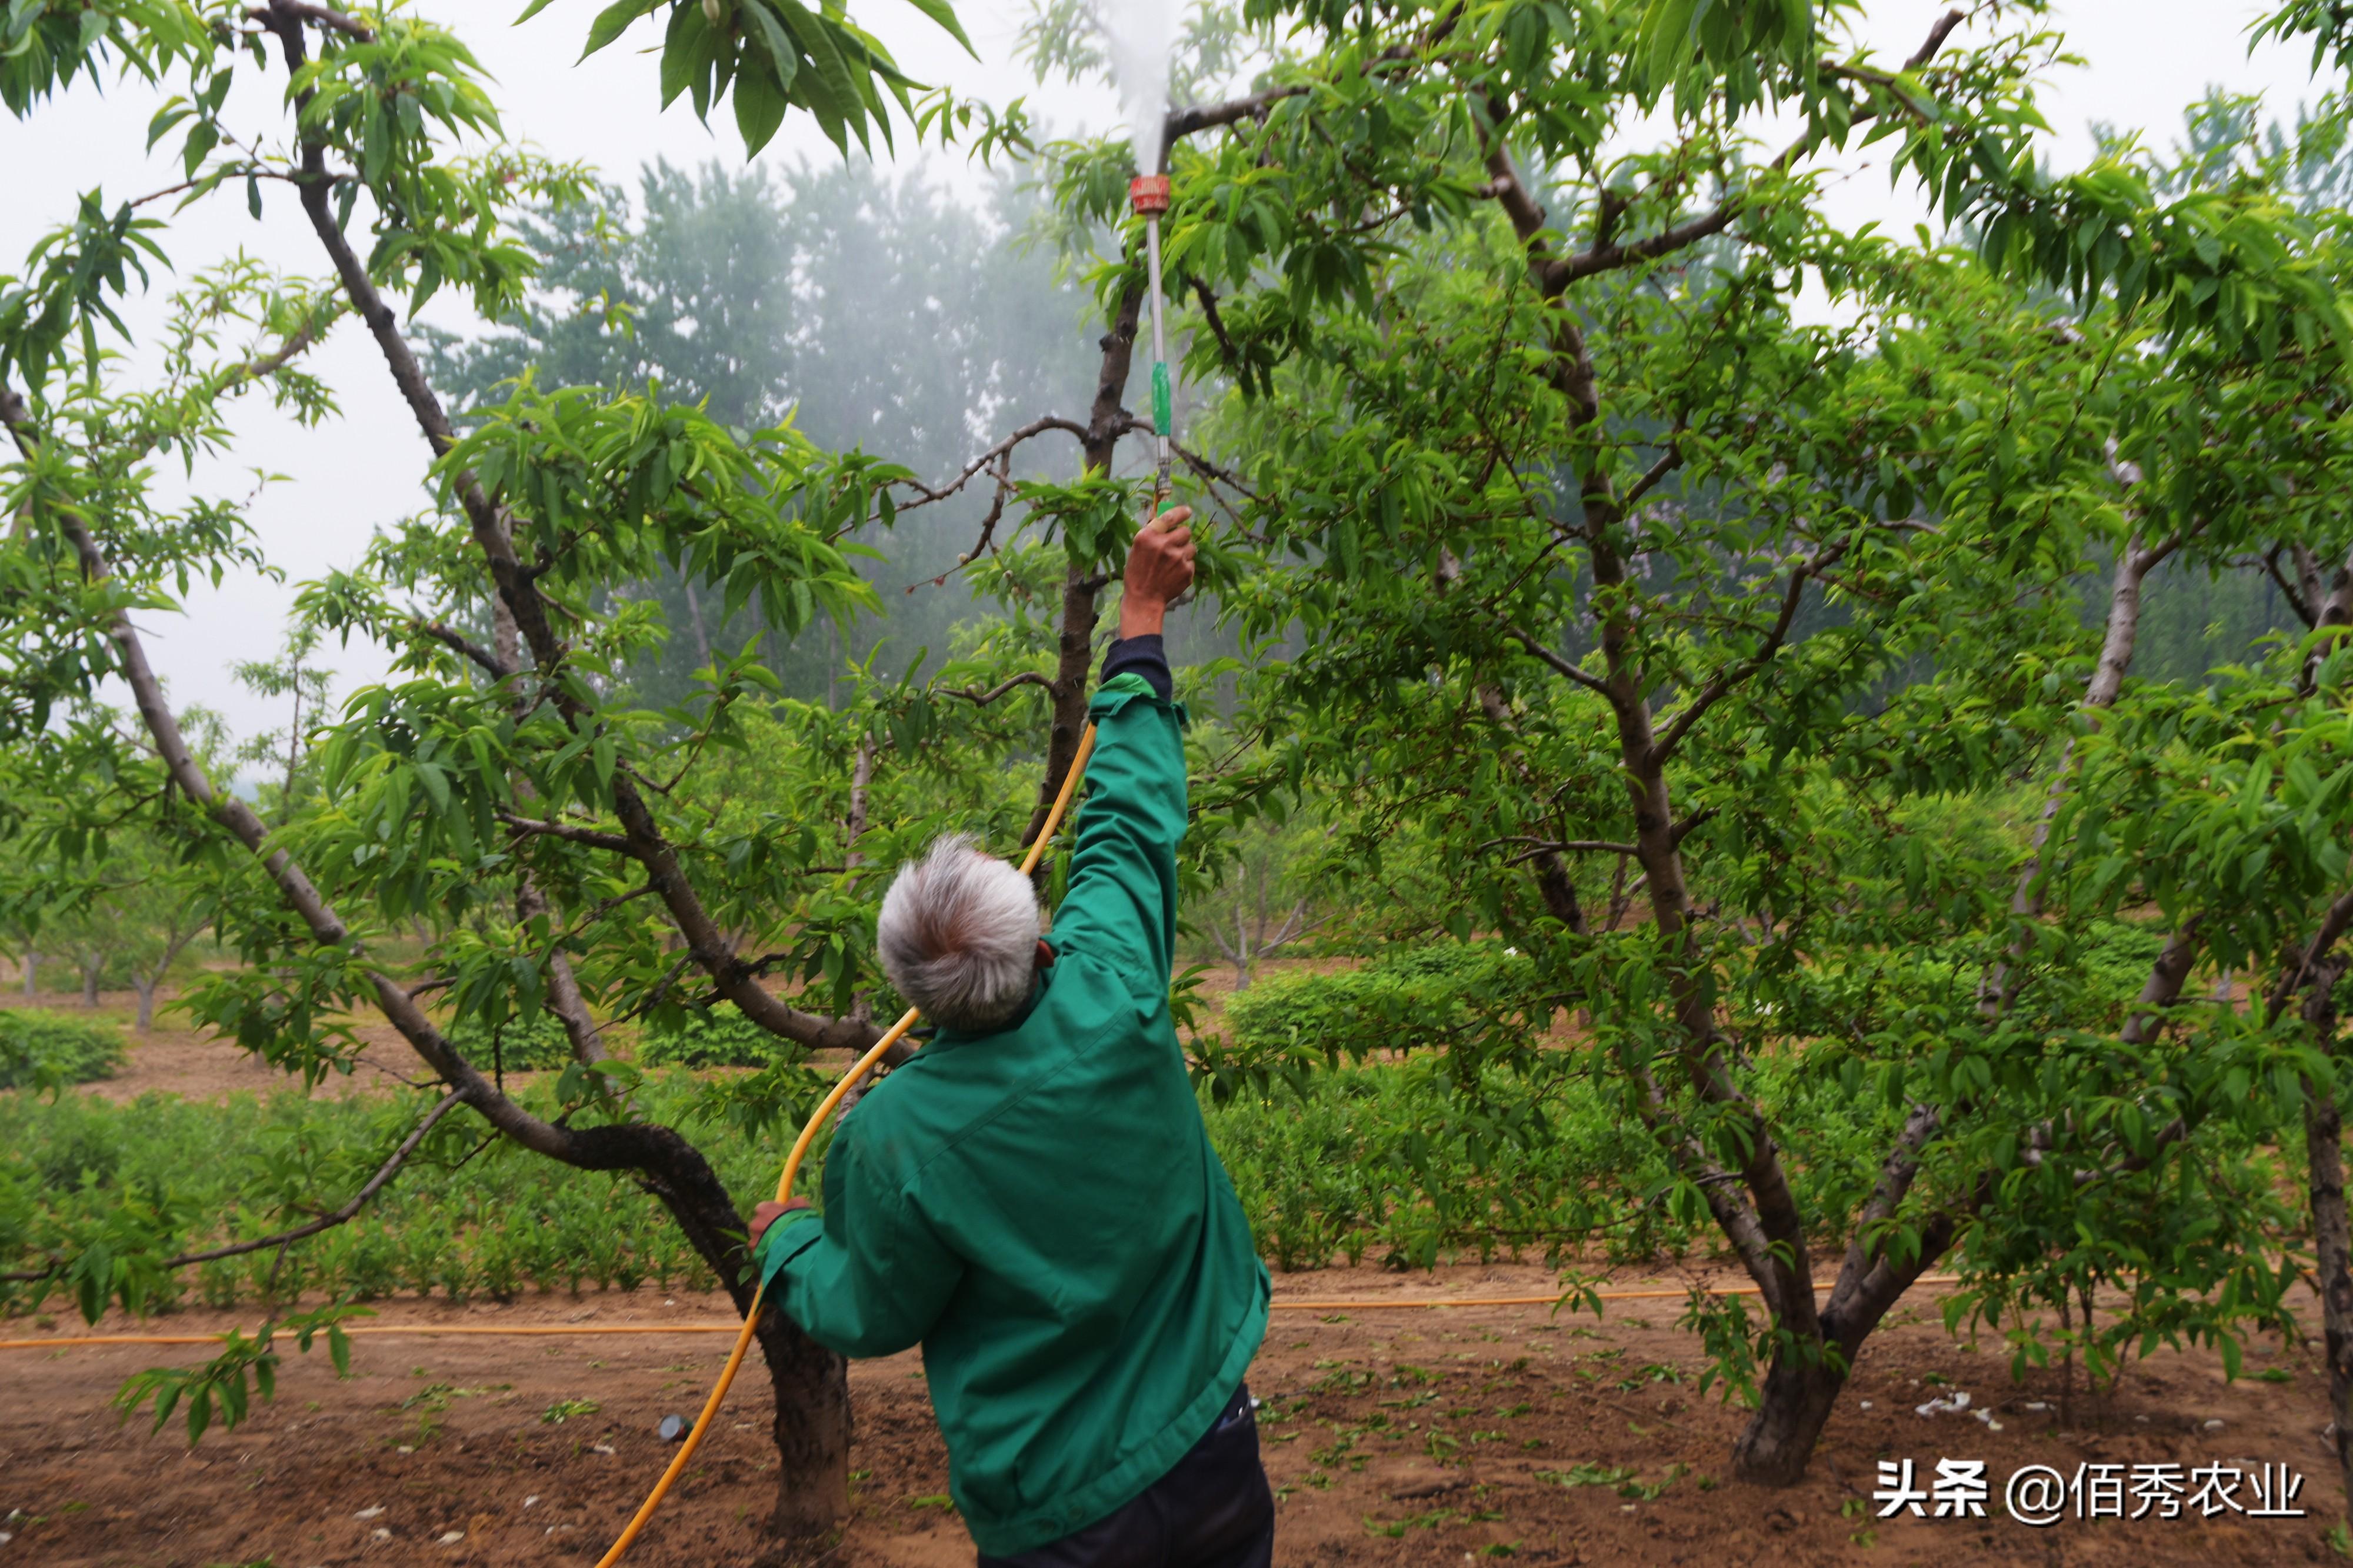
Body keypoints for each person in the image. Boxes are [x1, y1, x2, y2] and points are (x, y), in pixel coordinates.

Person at [749, 505, 1274, 1567]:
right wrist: (1140, 615)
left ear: (916, 1002)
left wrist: (788, 1241)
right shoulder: (1114, 985)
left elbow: (869, 1305)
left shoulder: (892, 1139)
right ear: (1040, 947)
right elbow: (1130, 814)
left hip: (1059, 1516)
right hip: (1213, 1448)